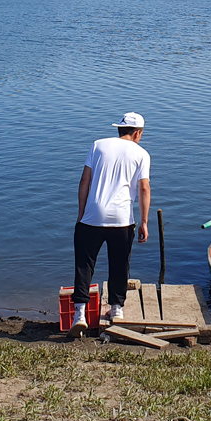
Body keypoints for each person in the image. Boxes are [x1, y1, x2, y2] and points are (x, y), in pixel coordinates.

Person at [69, 112, 151, 337]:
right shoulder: (141, 154)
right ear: (137, 133)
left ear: (119, 129)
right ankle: (116, 309)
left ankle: (80, 314)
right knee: (119, 264)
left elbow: (84, 181)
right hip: (123, 220)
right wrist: (144, 222)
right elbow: (144, 188)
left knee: (84, 265)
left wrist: (81, 214)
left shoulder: (97, 146)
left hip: (92, 215)